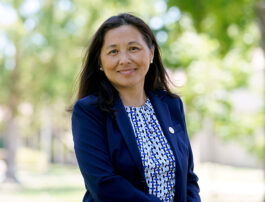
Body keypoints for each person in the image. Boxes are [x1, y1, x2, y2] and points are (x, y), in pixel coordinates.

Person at [70, 13, 200, 202]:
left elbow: (188, 178)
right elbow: (103, 185)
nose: (124, 59)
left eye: (133, 48)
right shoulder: (89, 111)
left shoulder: (171, 105)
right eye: (113, 52)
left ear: (151, 53)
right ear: (100, 61)